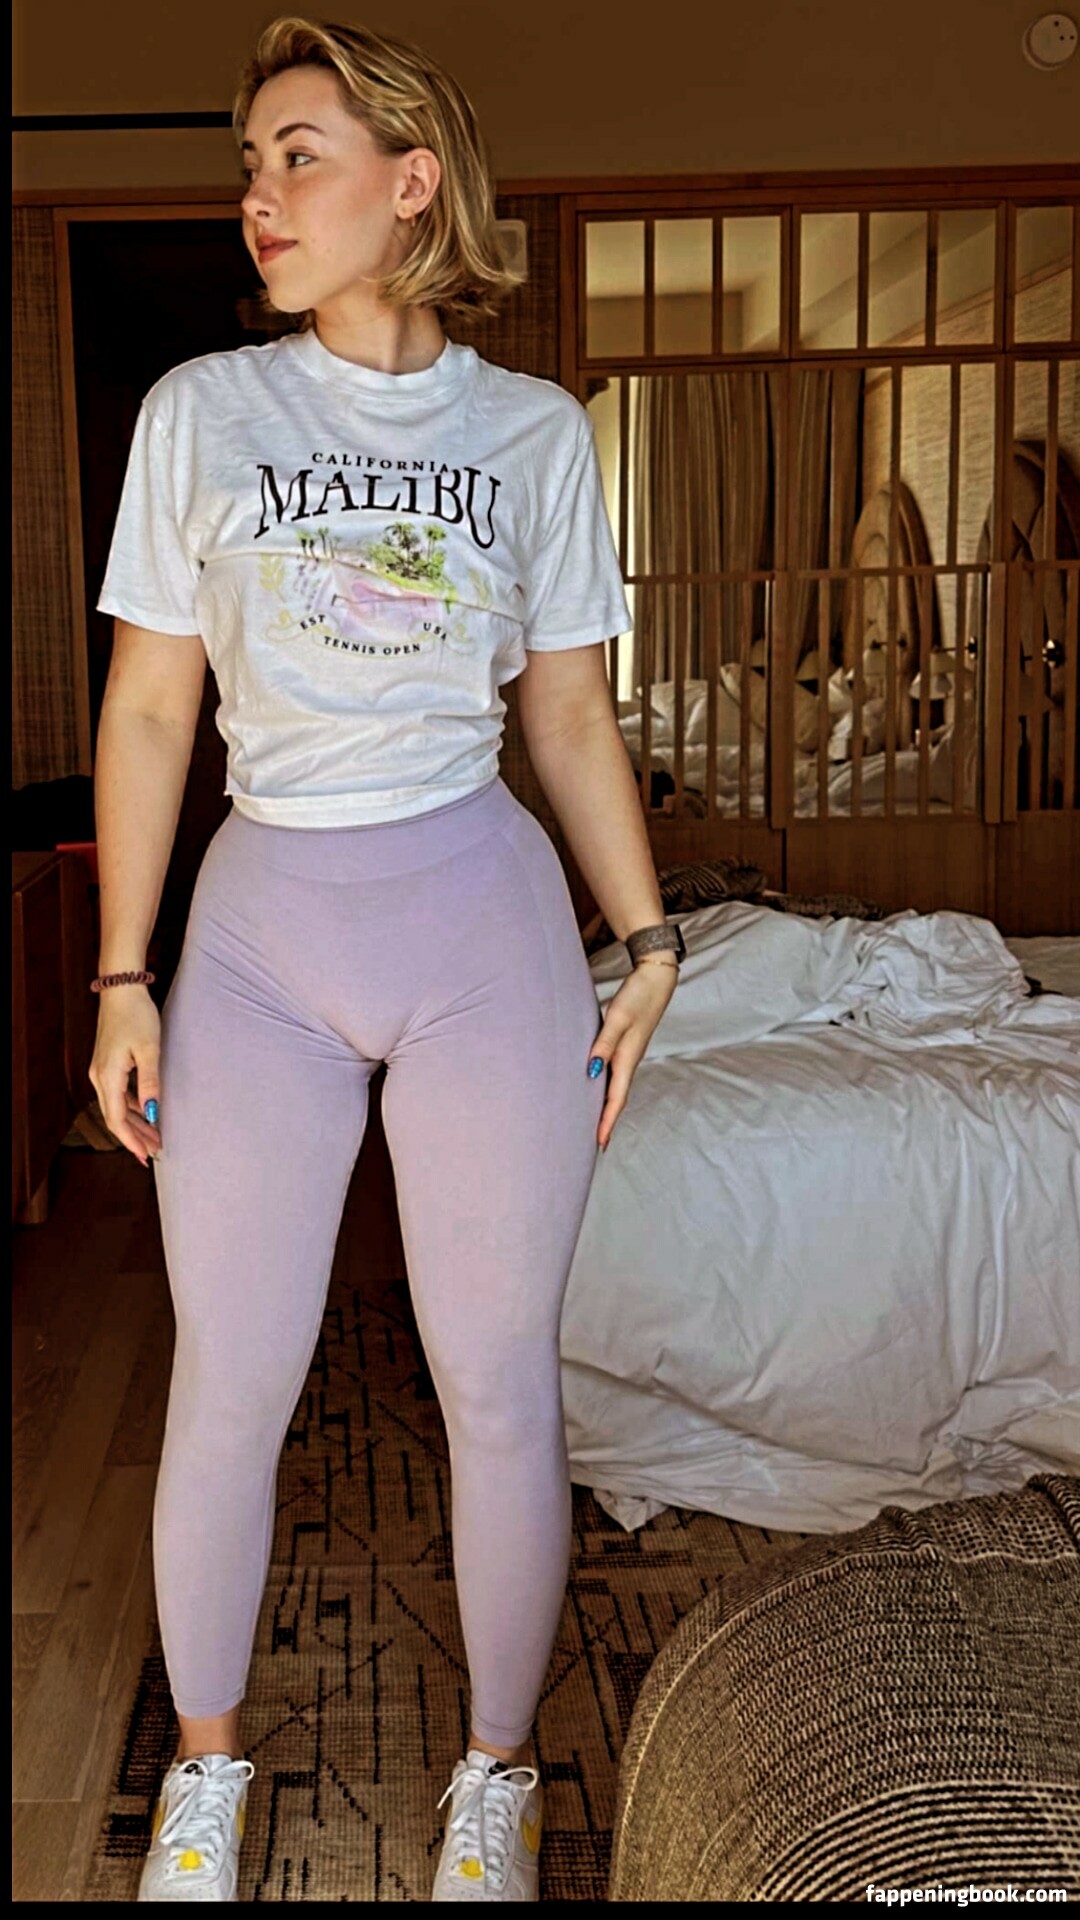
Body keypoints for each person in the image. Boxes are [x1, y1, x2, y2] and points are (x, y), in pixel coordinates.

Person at [90, 15, 683, 1904]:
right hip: (263, 928)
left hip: (479, 922)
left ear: (412, 182)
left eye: (299, 157)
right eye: (250, 167)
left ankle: (497, 1777)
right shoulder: (202, 413)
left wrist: (649, 936)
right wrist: (121, 973)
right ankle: (205, 1772)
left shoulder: (536, 434)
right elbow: (150, 708)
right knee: (231, 1376)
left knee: (498, 1377)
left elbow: (570, 714)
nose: (257, 199)